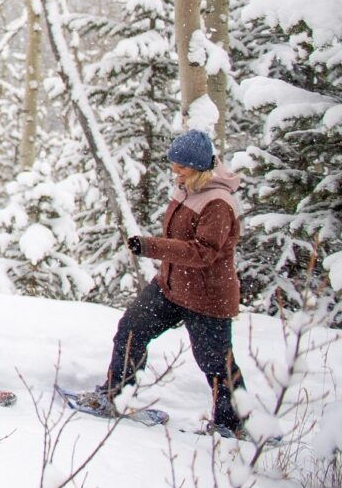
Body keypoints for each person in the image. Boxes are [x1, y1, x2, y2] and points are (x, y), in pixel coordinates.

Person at [75, 129, 247, 437]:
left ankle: (232, 424)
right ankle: (115, 395)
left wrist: (152, 247)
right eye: (174, 166)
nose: (175, 172)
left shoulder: (218, 202)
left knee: (215, 361)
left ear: (200, 167)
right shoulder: (188, 189)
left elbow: (204, 251)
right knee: (132, 329)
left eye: (182, 168)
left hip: (207, 295)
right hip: (171, 286)